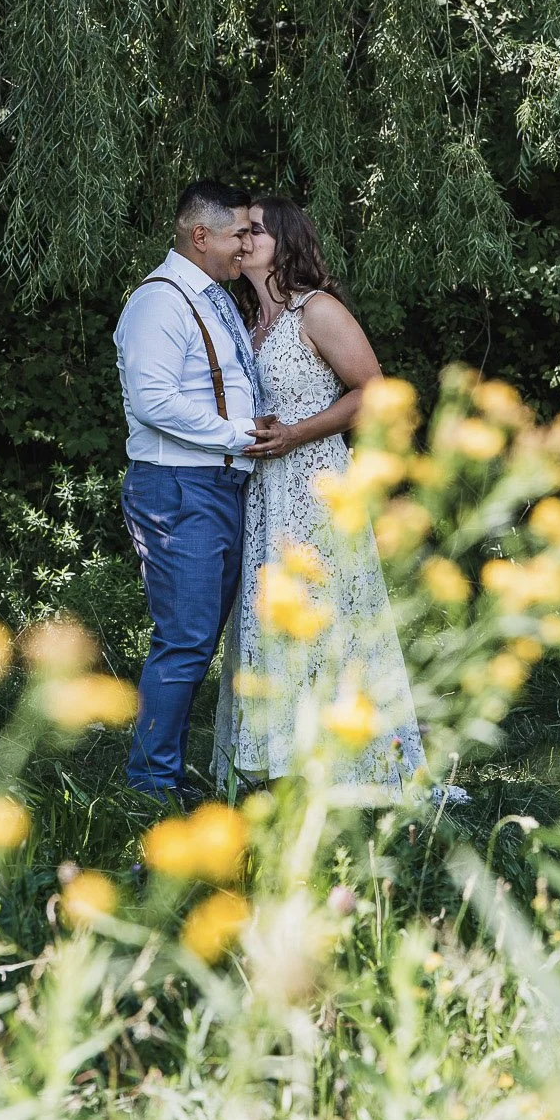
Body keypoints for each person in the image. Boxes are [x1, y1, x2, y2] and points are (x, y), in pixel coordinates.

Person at [212, 195, 425, 791]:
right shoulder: (247, 321)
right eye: (238, 231)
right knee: (268, 614)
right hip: (261, 489)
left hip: (315, 479)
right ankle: (274, 755)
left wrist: (297, 434)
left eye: (255, 229)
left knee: (326, 611)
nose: (243, 239)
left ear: (285, 241)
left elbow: (375, 392)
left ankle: (343, 757)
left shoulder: (317, 310)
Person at [114, 179, 269, 803]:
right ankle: (149, 787)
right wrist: (238, 435)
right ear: (199, 235)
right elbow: (153, 401)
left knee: (201, 636)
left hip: (216, 483)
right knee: (185, 638)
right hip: (179, 488)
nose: (247, 244)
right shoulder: (160, 302)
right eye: (238, 233)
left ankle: (164, 770)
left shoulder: (213, 298)